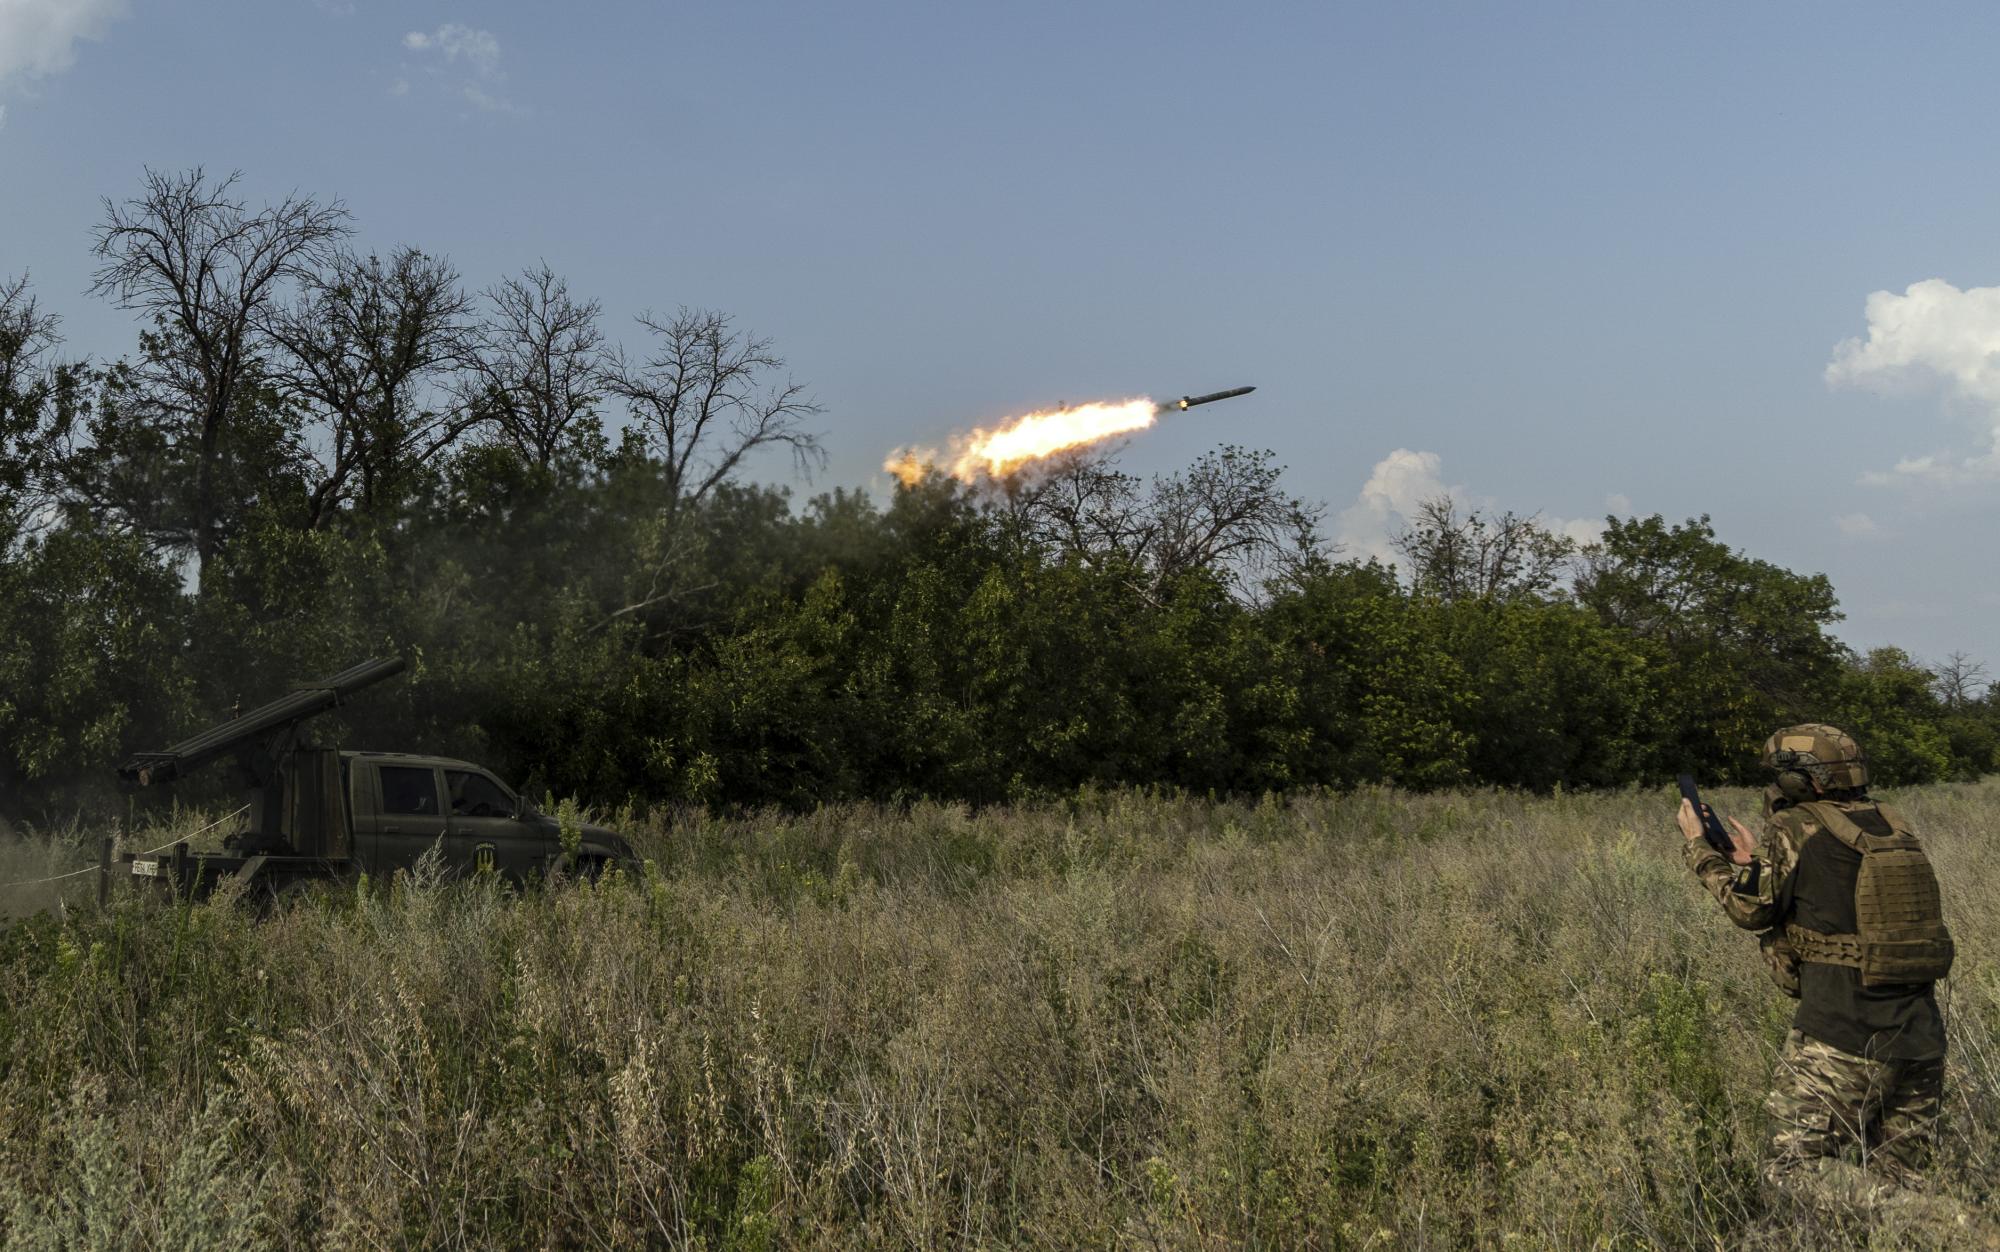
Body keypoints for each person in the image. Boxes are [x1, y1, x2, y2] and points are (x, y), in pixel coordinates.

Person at [1679, 724, 1953, 1207]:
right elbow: (1831, 892)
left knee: (1787, 1167)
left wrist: (1702, 850)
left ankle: (1963, 1228)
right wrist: (1751, 859)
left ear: (1799, 780)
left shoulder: (1795, 826)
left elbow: (1751, 910)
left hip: (1842, 1033)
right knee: (1902, 1179)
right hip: (1920, 1035)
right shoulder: (1892, 824)